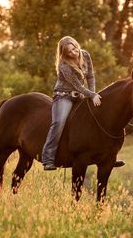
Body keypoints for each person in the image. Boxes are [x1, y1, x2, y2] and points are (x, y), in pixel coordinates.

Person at [42, 36, 124, 170]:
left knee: (100, 116)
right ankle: (48, 158)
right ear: (65, 54)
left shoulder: (85, 55)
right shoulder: (64, 65)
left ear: (76, 44)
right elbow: (77, 85)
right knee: (59, 122)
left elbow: (90, 76)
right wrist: (91, 95)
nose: (74, 52)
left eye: (74, 48)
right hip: (63, 96)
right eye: (69, 52)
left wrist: (92, 94)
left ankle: (108, 155)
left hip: (81, 95)